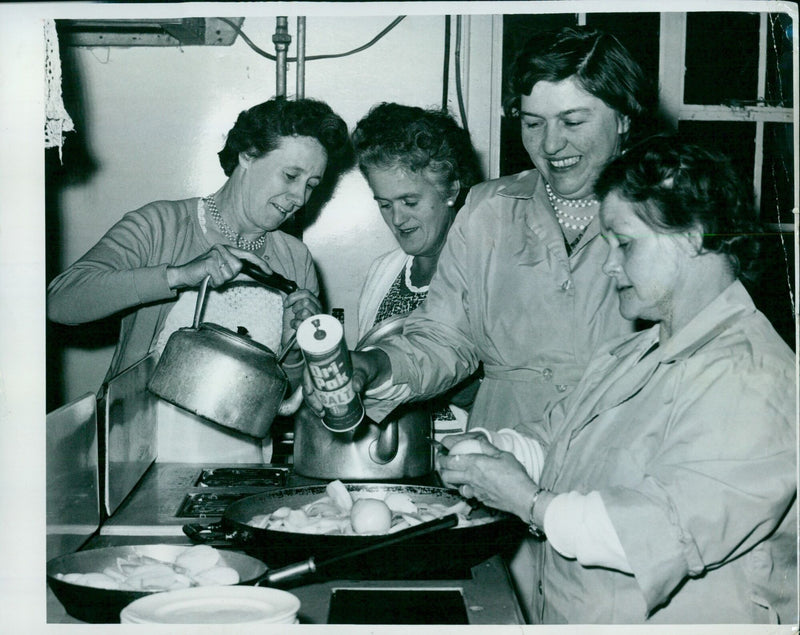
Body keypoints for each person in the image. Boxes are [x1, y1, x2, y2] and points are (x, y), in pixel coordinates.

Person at [337, 26, 660, 616]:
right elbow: (444, 337)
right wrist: (372, 366)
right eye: (532, 122)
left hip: (617, 477)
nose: (550, 143)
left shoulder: (667, 218)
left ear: (625, 117)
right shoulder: (488, 210)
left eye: (573, 121)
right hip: (495, 477)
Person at [437, 136, 797, 624]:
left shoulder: (753, 377)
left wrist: (526, 501)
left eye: (624, 244)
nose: (608, 266)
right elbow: (553, 442)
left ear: (693, 234)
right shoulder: (635, 352)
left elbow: (661, 531)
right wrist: (489, 449)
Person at [47, 97, 352, 462]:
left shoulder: (295, 259)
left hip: (241, 466)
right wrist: (180, 275)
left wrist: (294, 346)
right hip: (135, 461)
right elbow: (61, 303)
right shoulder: (160, 226)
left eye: (311, 184)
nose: (299, 197)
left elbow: (291, 394)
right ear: (248, 154)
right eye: (290, 176)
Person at [351, 102, 484, 438]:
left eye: (410, 202)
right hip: (391, 457)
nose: (397, 219)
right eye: (385, 204)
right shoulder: (382, 272)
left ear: (451, 190)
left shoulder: (484, 269)